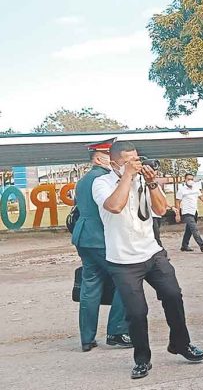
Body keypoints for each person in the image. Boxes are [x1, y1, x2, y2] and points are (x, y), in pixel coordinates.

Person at [93, 141, 203, 379]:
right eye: (128, 161)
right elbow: (114, 206)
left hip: (152, 252)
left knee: (173, 295)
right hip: (123, 261)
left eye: (136, 159)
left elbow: (162, 208)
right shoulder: (101, 183)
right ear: (114, 163)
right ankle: (142, 359)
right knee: (136, 312)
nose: (135, 164)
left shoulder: (142, 181)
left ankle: (180, 344)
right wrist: (128, 177)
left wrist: (151, 182)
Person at [71, 138, 131, 352]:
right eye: (109, 155)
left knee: (90, 287)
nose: (114, 160)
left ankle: (87, 339)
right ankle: (116, 331)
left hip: (84, 238)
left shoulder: (83, 180)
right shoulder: (105, 178)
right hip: (102, 239)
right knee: (126, 282)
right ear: (98, 157)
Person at [176, 173, 203, 252]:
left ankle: (184, 246)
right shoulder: (181, 190)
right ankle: (202, 244)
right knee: (194, 229)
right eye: (188, 179)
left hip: (194, 211)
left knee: (189, 230)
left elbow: (201, 197)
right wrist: (177, 214)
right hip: (186, 212)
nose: (190, 181)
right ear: (185, 180)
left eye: (191, 179)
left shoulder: (196, 188)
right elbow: (177, 202)